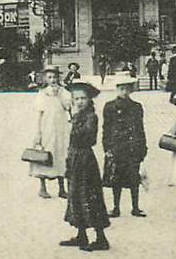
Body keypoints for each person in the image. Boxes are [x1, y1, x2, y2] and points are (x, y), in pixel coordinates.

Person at [60, 81, 110, 252]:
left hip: (85, 160)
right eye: (76, 98)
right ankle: (81, 234)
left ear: (90, 100)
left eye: (83, 98)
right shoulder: (77, 115)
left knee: (90, 196)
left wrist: (73, 128)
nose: (80, 101)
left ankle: (101, 238)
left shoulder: (91, 117)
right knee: (75, 195)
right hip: (75, 158)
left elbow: (89, 138)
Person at [102, 78, 147, 218]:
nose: (124, 92)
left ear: (131, 90)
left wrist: (142, 146)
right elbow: (106, 128)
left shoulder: (137, 106)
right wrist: (107, 147)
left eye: (127, 88)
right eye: (121, 88)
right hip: (117, 146)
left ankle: (135, 207)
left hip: (133, 146)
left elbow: (140, 128)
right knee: (116, 177)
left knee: (134, 177)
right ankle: (116, 207)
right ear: (117, 89)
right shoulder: (109, 106)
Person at [30, 66, 71, 199]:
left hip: (61, 127)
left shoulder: (63, 91)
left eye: (55, 77)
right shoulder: (42, 94)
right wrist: (38, 133)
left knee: (61, 153)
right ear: (45, 79)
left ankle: (61, 188)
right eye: (50, 77)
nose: (53, 80)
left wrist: (59, 94)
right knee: (45, 155)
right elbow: (39, 114)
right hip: (47, 127)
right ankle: (43, 188)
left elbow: (68, 106)